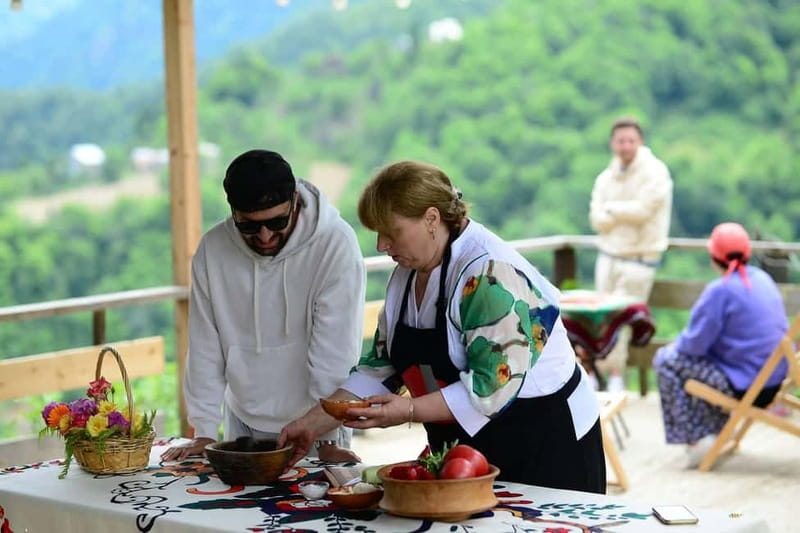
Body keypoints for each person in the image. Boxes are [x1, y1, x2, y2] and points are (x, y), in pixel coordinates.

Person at [279, 160, 606, 493]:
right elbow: (381, 368)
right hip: (466, 453)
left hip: (545, 444)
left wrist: (408, 410)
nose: (381, 245)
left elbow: (491, 389)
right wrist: (312, 423)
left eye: (391, 232)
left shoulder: (489, 274)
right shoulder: (406, 276)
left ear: (431, 218)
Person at [161, 149, 366, 462]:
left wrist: (327, 437)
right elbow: (204, 345)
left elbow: (335, 352)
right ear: (232, 212)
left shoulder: (335, 244)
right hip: (242, 421)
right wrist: (203, 431)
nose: (266, 236)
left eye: (277, 221)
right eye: (249, 226)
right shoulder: (212, 249)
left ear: (295, 201)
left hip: (315, 426)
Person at [653, 222, 788, 468]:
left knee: (665, 359)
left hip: (746, 385)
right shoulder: (763, 279)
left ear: (714, 257)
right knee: (691, 361)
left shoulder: (721, 290)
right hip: (774, 380)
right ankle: (711, 430)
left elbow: (692, 346)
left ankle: (696, 438)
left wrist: (676, 343)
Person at [589, 117, 673, 392]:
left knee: (623, 322)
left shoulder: (655, 172)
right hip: (608, 256)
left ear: (640, 142)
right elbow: (596, 219)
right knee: (598, 318)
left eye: (630, 140)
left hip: (639, 258)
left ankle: (615, 377)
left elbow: (644, 211)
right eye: (620, 140)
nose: (625, 146)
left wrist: (612, 210)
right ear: (613, 143)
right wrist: (619, 212)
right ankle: (598, 376)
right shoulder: (606, 176)